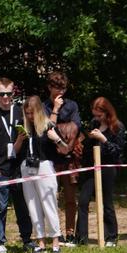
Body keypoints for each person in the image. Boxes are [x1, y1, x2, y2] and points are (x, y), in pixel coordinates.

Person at [0, 78, 33, 253]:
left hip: (18, 167)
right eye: (2, 94)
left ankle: (27, 238)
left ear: (13, 93)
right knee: (0, 207)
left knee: (22, 205)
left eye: (9, 94)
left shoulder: (19, 112)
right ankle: (0, 242)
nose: (5, 97)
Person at [14, 95, 63, 253]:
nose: (29, 116)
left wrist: (56, 140)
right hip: (26, 167)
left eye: (31, 113)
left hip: (44, 166)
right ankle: (40, 242)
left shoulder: (48, 125)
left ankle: (56, 240)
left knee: (49, 203)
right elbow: (14, 152)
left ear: (38, 111)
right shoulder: (22, 126)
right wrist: (19, 140)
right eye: (26, 113)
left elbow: (65, 149)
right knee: (32, 205)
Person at [74, 97, 125, 247]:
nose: (96, 118)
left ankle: (111, 237)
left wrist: (103, 139)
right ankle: (81, 238)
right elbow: (88, 149)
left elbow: (117, 151)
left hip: (108, 168)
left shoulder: (117, 127)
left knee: (106, 202)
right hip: (91, 168)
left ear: (107, 113)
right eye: (94, 115)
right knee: (83, 201)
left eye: (99, 115)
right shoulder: (93, 124)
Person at [43, 71, 81, 244]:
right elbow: (45, 129)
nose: (61, 92)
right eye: (58, 88)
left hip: (70, 157)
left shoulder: (72, 105)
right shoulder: (44, 106)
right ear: (50, 87)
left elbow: (76, 128)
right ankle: (55, 233)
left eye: (64, 88)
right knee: (51, 198)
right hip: (50, 157)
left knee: (71, 198)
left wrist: (61, 136)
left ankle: (70, 233)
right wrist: (56, 110)